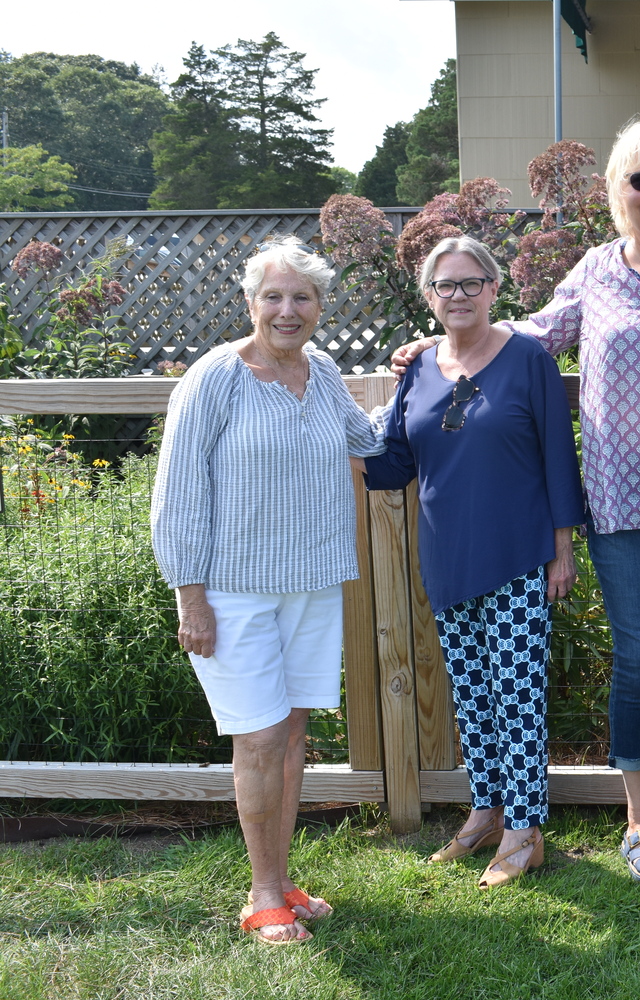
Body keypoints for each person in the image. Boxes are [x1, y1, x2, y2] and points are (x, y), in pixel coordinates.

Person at [393, 119, 640, 884]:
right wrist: (447, 339)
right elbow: (535, 334)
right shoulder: (595, 271)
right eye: (638, 180)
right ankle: (638, 818)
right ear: (617, 192)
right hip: (621, 501)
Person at [151, 236, 386, 944]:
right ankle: (260, 896)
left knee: (289, 736)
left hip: (313, 583)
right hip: (232, 592)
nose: (288, 310)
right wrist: (190, 596)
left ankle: (282, 881)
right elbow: (177, 495)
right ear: (250, 302)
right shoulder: (216, 376)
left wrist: (421, 380)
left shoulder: (322, 370)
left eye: (303, 297)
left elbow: (366, 440)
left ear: (321, 307)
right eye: (274, 296)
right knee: (257, 739)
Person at [360, 236, 586, 888]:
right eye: (443, 286)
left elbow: (556, 456)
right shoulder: (419, 369)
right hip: (448, 556)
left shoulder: (527, 359)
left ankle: (525, 831)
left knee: (518, 697)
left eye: (469, 283)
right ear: (428, 297)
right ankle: (486, 811)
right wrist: (340, 434)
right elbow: (396, 463)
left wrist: (561, 547)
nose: (456, 295)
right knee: (473, 697)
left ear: (493, 289)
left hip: (517, 553)